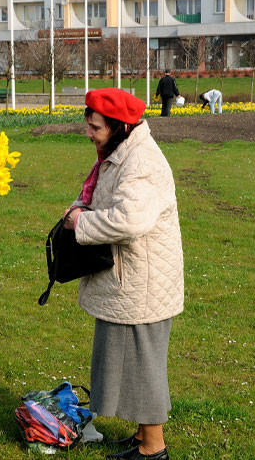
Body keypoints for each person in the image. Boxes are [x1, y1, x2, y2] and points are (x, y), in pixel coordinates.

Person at [63, 88, 184, 460]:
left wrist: (80, 223)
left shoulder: (141, 161)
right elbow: (104, 198)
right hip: (130, 278)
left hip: (141, 282)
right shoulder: (121, 151)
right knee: (131, 363)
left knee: (142, 365)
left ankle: (153, 450)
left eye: (95, 127)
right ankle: (142, 437)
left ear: (119, 127)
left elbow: (130, 220)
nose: (89, 133)